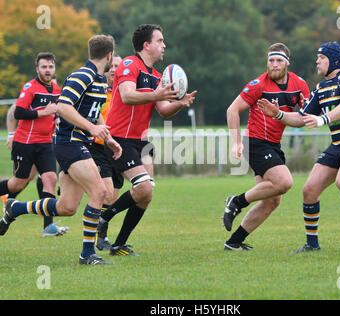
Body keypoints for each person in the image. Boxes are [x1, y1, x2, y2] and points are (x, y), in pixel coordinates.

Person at [0, 35, 122, 265]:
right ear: (108, 56)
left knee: (67, 207)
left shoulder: (99, 80)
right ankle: (87, 254)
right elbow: (64, 107)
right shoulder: (82, 75)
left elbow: (91, 117)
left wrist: (108, 139)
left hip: (78, 143)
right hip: (69, 143)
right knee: (99, 192)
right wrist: (92, 128)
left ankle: (15, 208)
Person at [258, 41, 340, 252]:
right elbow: (301, 118)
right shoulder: (321, 88)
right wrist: (279, 114)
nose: (317, 61)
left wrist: (322, 119)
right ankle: (312, 245)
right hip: (338, 145)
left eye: (321, 58)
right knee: (309, 189)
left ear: (334, 60)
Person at [97, 24, 197, 257]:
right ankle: (103, 218)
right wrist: (157, 94)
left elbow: (162, 109)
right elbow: (127, 95)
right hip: (119, 138)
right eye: (160, 40)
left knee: (146, 195)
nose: (164, 45)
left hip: (140, 142)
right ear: (146, 45)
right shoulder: (129, 64)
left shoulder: (156, 76)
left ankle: (119, 244)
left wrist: (178, 104)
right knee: (142, 187)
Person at [222, 43, 310, 251]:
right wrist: (235, 143)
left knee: (272, 201)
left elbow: (304, 118)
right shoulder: (258, 85)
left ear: (287, 62)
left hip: (273, 145)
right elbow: (232, 110)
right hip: (255, 142)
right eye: (271, 60)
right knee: (285, 182)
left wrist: (281, 114)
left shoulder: (299, 85)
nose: (274, 64)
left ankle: (234, 242)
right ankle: (236, 201)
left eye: (279, 60)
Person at [0, 53, 68, 237]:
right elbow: (19, 112)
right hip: (25, 143)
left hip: (46, 143)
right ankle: (9, 210)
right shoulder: (30, 87)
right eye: (44, 67)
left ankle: (48, 227)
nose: (47, 70)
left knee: (50, 179)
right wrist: (43, 113)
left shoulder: (56, 89)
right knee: (18, 184)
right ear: (37, 69)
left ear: (54, 69)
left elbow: (57, 113)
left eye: (50, 67)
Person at [89, 53, 124, 251]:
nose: (113, 69)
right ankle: (97, 237)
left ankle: (101, 234)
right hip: (98, 145)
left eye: (117, 66)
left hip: (118, 146)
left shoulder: (126, 92)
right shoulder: (99, 89)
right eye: (110, 66)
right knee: (107, 193)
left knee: (112, 198)